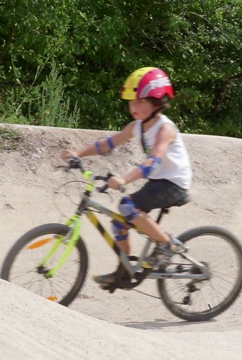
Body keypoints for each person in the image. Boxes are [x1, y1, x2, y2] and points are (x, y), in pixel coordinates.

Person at [60, 67, 192, 285]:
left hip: (174, 183)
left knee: (127, 207)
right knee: (119, 223)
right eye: (131, 102)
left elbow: (153, 161)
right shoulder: (137, 126)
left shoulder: (164, 129)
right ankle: (124, 269)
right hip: (158, 182)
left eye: (140, 102)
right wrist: (78, 153)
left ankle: (168, 245)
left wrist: (124, 179)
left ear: (156, 102)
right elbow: (108, 144)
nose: (133, 107)